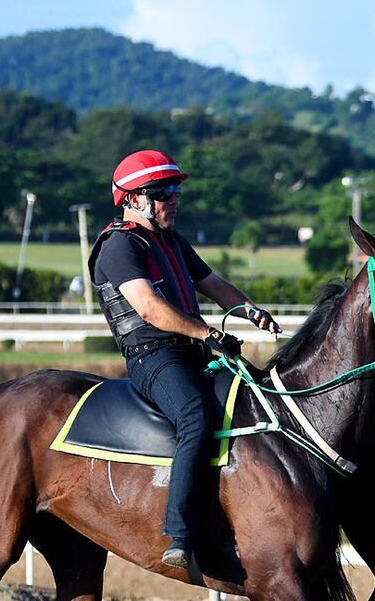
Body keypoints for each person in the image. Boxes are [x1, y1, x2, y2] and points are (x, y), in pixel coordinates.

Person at [89, 149, 281, 570]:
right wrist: (210, 334)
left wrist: (251, 309)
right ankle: (180, 533)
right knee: (196, 414)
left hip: (190, 351)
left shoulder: (172, 240)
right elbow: (149, 309)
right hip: (152, 358)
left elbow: (211, 283)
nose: (173, 198)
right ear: (133, 199)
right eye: (162, 191)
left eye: (175, 189)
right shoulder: (119, 245)